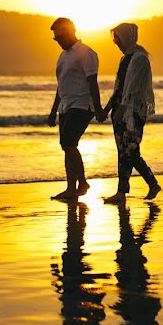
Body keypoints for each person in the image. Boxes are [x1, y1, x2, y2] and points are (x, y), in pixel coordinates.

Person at [47, 17, 107, 200]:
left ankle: (81, 183)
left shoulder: (86, 53)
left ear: (70, 32)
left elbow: (92, 81)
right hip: (66, 107)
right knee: (67, 146)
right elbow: (61, 85)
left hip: (82, 105)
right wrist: (53, 110)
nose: (58, 42)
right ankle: (71, 188)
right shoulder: (62, 56)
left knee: (68, 142)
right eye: (55, 39)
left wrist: (97, 107)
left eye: (60, 37)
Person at [103, 23, 160, 202]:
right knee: (122, 151)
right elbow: (119, 88)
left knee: (131, 151)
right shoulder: (124, 59)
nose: (116, 42)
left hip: (134, 113)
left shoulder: (140, 58)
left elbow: (133, 88)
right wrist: (108, 108)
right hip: (120, 111)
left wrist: (124, 109)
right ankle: (121, 192)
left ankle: (152, 183)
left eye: (118, 38)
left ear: (127, 37)